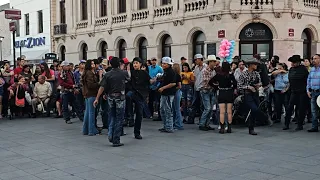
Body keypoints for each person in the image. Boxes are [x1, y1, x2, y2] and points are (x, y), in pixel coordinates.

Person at [94, 57, 129, 147]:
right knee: (119, 118)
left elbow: (102, 86)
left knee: (112, 116)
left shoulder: (108, 74)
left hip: (110, 97)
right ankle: (116, 139)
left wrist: (97, 98)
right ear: (119, 64)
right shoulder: (123, 73)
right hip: (120, 97)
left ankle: (110, 134)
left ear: (110, 64)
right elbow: (128, 80)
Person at [238, 58, 268, 135]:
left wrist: (258, 85)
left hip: (255, 93)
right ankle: (264, 118)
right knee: (254, 109)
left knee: (254, 111)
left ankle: (251, 128)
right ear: (250, 65)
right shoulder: (243, 74)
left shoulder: (256, 73)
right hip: (247, 94)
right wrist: (248, 87)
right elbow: (239, 86)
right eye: (255, 64)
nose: (256, 66)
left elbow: (260, 82)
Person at [129, 57, 153, 139]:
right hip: (132, 93)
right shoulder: (131, 73)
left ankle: (137, 132)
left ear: (140, 64)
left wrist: (156, 79)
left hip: (141, 95)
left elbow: (150, 81)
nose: (135, 64)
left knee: (139, 114)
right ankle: (130, 119)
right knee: (127, 101)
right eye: (134, 63)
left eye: (136, 63)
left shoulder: (144, 73)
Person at [283, 55, 309, 131]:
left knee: (301, 109)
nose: (292, 64)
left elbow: (307, 80)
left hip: (302, 92)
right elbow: (290, 80)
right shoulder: (291, 69)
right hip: (293, 91)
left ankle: (300, 124)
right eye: (292, 62)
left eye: (294, 62)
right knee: (289, 108)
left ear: (298, 62)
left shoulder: (303, 69)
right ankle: (286, 124)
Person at [211, 62, 237, 134]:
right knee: (229, 111)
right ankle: (229, 127)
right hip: (229, 92)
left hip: (221, 92)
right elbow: (235, 84)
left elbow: (211, 81)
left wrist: (216, 87)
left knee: (222, 112)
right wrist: (232, 87)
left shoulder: (219, 75)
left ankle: (222, 128)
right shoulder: (230, 75)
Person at [198, 55, 218, 131]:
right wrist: (216, 84)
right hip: (205, 90)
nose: (215, 63)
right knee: (207, 108)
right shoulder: (205, 70)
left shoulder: (214, 70)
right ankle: (202, 124)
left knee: (210, 109)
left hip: (211, 90)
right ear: (210, 62)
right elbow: (208, 82)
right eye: (214, 61)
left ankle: (207, 124)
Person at [158, 57, 176, 133]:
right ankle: (166, 126)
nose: (163, 65)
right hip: (164, 93)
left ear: (168, 64)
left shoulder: (171, 72)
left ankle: (169, 127)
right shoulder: (165, 71)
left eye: (165, 63)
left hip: (169, 93)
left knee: (168, 110)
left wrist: (163, 88)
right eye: (163, 63)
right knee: (162, 109)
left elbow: (173, 83)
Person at [81, 60, 100, 136]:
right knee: (91, 112)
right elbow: (91, 85)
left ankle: (85, 129)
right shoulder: (90, 73)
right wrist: (99, 83)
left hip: (87, 94)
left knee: (87, 112)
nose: (93, 65)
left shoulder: (88, 72)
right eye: (91, 64)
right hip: (91, 93)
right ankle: (91, 130)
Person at [187, 54, 207, 124]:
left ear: (200, 59)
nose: (195, 61)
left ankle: (202, 120)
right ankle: (190, 119)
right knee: (194, 104)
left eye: (196, 60)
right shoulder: (196, 67)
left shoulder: (206, 67)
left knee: (202, 105)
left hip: (203, 88)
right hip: (196, 87)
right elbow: (195, 77)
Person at [307, 54, 320, 132]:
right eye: (313, 58)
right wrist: (308, 90)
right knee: (313, 110)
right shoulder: (312, 69)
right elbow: (308, 80)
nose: (313, 60)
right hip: (313, 92)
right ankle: (314, 127)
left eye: (315, 58)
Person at [172, 63, 183, 130]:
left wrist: (173, 88)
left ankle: (178, 124)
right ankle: (175, 123)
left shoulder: (177, 76)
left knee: (176, 109)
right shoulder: (177, 75)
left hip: (176, 92)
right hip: (175, 92)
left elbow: (179, 86)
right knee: (174, 109)